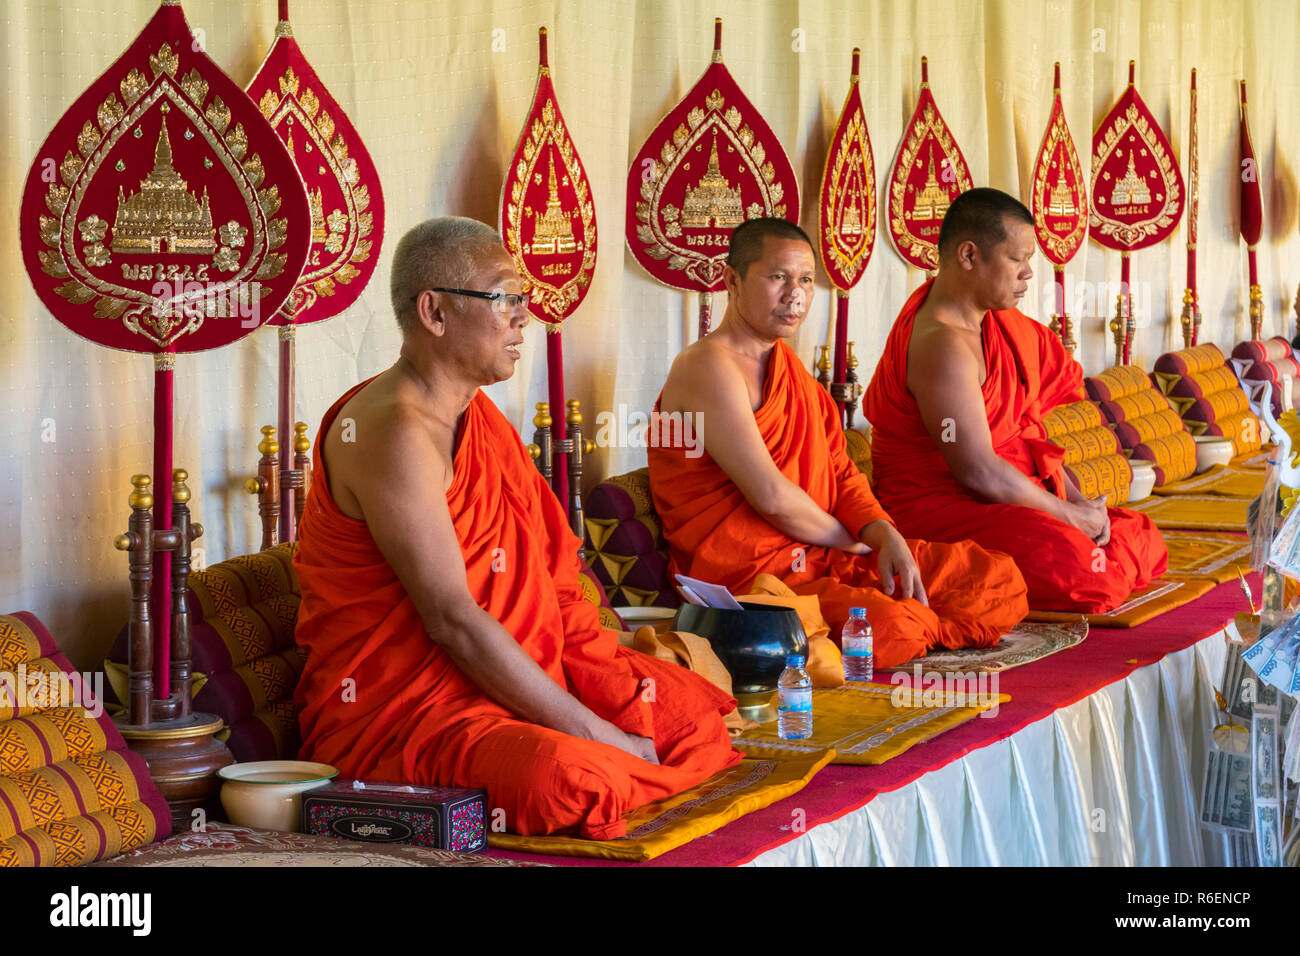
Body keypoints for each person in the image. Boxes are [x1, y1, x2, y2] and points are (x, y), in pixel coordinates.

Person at [292, 217, 741, 840]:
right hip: (412, 713)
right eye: (505, 298)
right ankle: (601, 760)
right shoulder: (393, 431)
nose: (523, 318)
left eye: (522, 300)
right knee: (578, 780)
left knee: (693, 718)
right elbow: (453, 622)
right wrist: (596, 730)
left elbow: (552, 577)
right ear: (434, 312)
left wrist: (597, 672)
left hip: (519, 672)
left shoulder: (476, 419)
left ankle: (605, 749)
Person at [648, 218, 1028, 669]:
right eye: (777, 278)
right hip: (755, 578)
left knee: (997, 579)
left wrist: (883, 533)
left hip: (822, 553)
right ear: (732, 280)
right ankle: (917, 623)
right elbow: (771, 495)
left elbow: (841, 470)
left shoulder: (788, 367)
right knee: (888, 628)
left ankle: (917, 622)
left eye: (806, 280)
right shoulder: (707, 366)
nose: (796, 295)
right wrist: (856, 544)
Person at [862, 188, 1168, 612]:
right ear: (968, 256)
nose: (1028, 274)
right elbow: (978, 470)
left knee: (1139, 533)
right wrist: (1068, 517)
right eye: (1016, 259)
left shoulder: (999, 325)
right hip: (940, 508)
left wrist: (1074, 502)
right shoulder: (942, 345)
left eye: (1029, 261)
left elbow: (1025, 437)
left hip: (1002, 494)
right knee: (1085, 574)